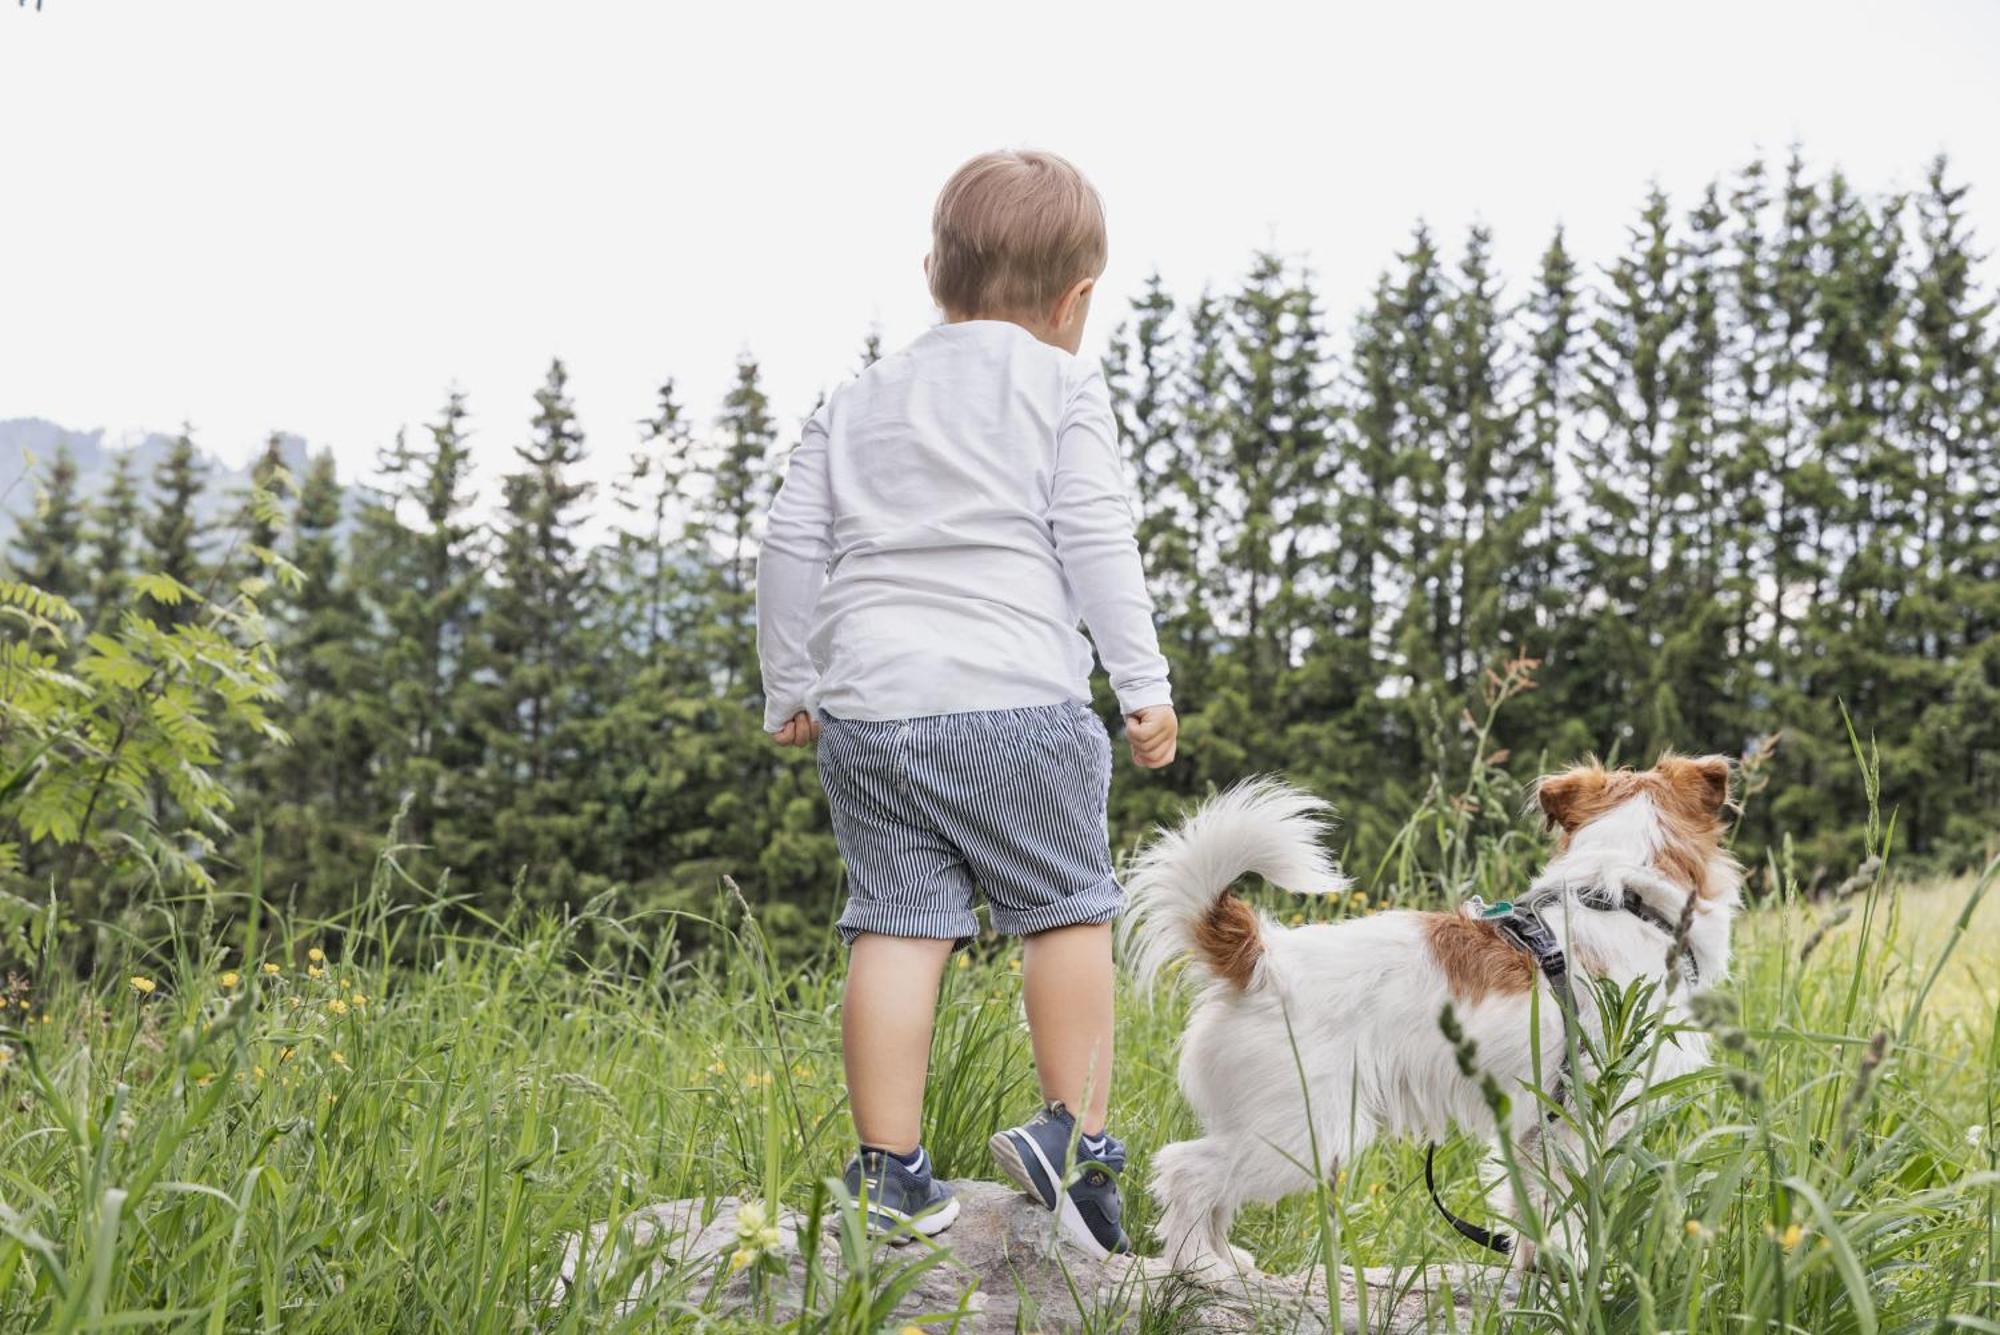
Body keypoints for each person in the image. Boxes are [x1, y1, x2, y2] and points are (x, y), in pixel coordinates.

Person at [755, 148, 1176, 1259]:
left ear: (933, 270)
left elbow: (790, 543)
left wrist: (789, 682)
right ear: (1075, 300)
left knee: (894, 926)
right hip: (1012, 704)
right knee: (1066, 906)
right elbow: (1094, 537)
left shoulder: (855, 398)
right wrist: (1142, 684)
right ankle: (1076, 1146)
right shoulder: (1059, 384)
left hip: (869, 718)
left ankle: (888, 1173)